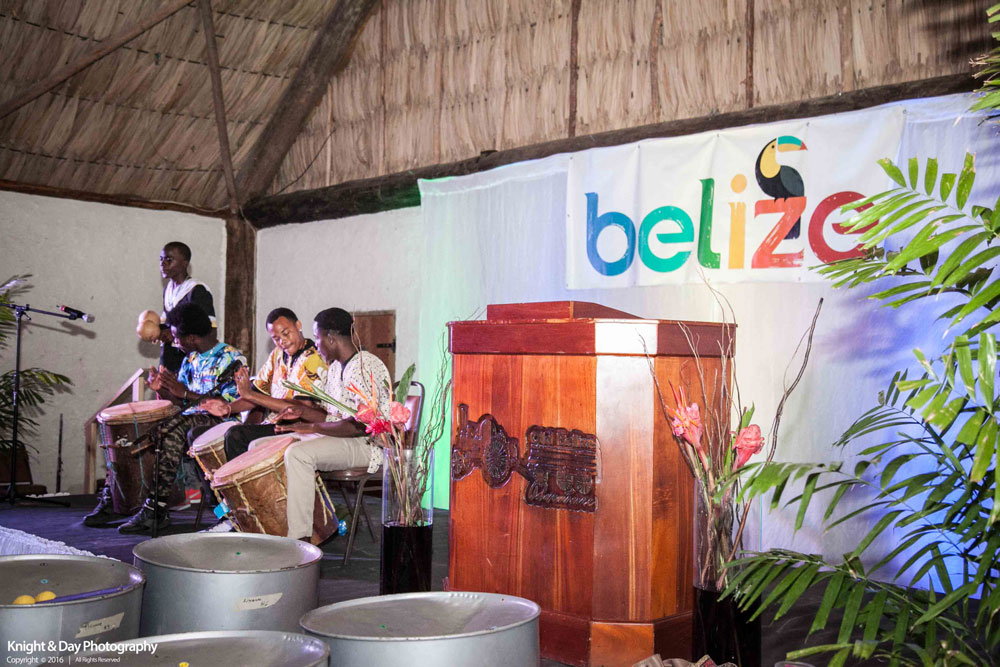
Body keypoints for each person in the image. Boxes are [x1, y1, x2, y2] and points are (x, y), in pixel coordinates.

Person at [110, 302, 244, 533]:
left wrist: (185, 393)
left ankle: (156, 509)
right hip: (189, 422)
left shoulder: (230, 358)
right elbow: (181, 403)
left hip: (223, 423)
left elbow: (228, 405)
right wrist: (162, 390)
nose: (174, 341)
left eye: (176, 337)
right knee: (155, 427)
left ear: (191, 338)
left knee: (174, 429)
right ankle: (138, 502)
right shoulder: (190, 360)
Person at [274, 307, 391, 541]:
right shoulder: (337, 367)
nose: (315, 344)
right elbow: (333, 418)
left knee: (298, 454)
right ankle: (280, 527)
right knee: (266, 446)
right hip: (345, 439)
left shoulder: (363, 366)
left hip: (368, 446)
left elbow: (360, 426)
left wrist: (312, 428)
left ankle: (300, 540)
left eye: (317, 338)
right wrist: (302, 413)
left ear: (330, 338)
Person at [201, 307, 327, 460]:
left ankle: (243, 476)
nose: (282, 341)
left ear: (298, 326)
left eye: (286, 333)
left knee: (236, 435)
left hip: (298, 427)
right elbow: (256, 395)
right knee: (199, 434)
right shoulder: (277, 355)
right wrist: (227, 408)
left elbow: (300, 408)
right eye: (276, 338)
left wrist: (250, 395)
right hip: (273, 423)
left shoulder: (313, 358)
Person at [158, 242, 216, 373]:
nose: (162, 264)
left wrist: (175, 334)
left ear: (185, 263)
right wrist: (156, 331)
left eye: (169, 260)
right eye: (161, 259)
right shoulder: (168, 290)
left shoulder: (196, 289)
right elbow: (166, 323)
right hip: (169, 358)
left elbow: (209, 331)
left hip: (189, 363)